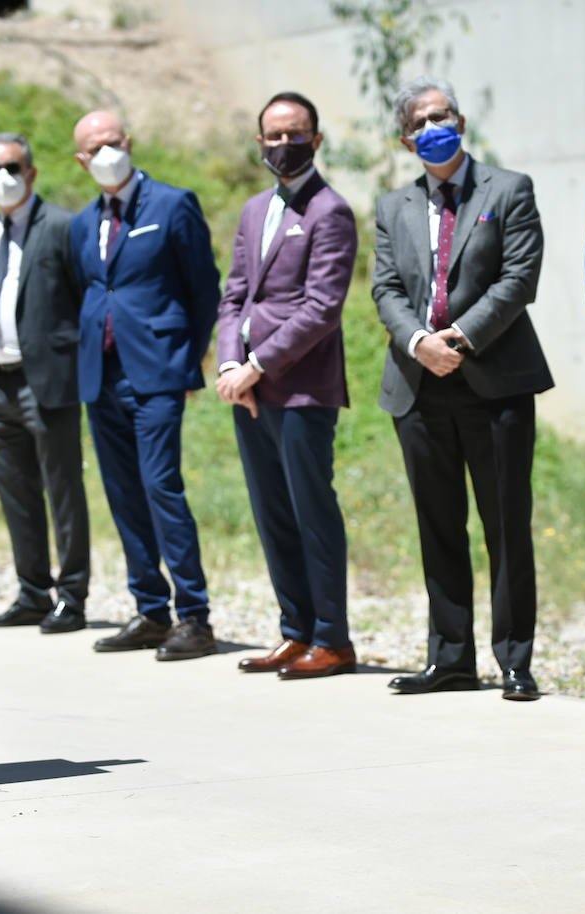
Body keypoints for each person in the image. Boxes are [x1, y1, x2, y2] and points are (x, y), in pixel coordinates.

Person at [372, 76, 552, 701]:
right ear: (405, 137)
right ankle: (449, 656)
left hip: (494, 378)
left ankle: (514, 660)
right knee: (438, 524)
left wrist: (461, 338)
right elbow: (386, 289)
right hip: (419, 384)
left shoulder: (507, 189)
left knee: (506, 523)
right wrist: (420, 342)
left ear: (462, 120)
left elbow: (519, 277)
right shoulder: (392, 206)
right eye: (419, 120)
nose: (432, 126)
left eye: (441, 114)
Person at [69, 110, 222, 661]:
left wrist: (188, 355)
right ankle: (150, 610)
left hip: (157, 371)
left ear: (129, 143)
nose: (106, 153)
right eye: (95, 147)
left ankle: (195, 617)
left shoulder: (172, 204)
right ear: (81, 161)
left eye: (114, 142)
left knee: (161, 486)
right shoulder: (82, 223)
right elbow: (86, 291)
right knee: (122, 493)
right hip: (102, 375)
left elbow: (204, 287)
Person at [216, 92, 359, 679]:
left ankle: (332, 638)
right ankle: (294, 631)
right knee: (272, 512)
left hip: (302, 389)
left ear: (316, 140)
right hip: (250, 389)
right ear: (259, 143)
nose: (283, 145)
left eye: (295, 134)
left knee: (310, 512)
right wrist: (231, 365)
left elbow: (321, 308)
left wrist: (259, 364)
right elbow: (234, 295)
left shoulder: (332, 212)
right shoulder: (254, 210)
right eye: (273, 136)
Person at [0, 132, 91, 635]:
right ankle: (32, 591)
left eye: (13, 168)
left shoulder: (63, 226)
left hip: (47, 381)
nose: (4, 178)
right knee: (16, 492)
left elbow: (86, 299)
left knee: (63, 489)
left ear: (32, 173)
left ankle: (72, 596)